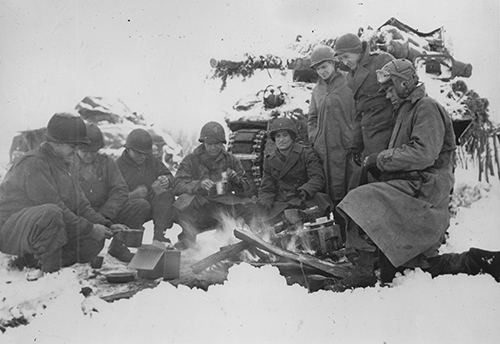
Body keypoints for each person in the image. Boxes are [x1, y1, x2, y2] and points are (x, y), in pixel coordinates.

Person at [337, 59, 500, 285]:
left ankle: (364, 273)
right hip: (413, 188)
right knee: (422, 266)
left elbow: (423, 154)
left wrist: (381, 159)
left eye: (389, 88)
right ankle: (481, 261)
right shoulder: (407, 110)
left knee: (360, 199)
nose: (386, 95)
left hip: (424, 191)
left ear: (403, 84)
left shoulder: (426, 108)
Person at [0, 113, 116, 275]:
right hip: (11, 232)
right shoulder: (34, 163)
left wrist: (106, 225)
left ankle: (31, 260)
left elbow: (81, 206)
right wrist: (90, 228)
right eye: (72, 146)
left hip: (39, 230)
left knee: (93, 240)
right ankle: (49, 274)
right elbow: (56, 207)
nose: (76, 151)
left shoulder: (63, 164)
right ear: (56, 143)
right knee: (52, 213)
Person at [72, 123, 150, 262]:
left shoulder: (107, 163)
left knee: (139, 205)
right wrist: (94, 222)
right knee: (88, 251)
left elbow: (120, 190)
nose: (89, 155)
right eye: (85, 151)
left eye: (93, 151)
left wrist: (104, 215)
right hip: (81, 217)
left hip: (106, 212)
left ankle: (118, 246)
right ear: (77, 148)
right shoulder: (69, 165)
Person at [174, 121, 252, 249]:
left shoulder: (231, 160)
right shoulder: (191, 160)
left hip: (223, 206)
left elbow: (247, 188)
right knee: (184, 203)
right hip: (200, 207)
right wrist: (198, 185)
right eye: (209, 144)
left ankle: (238, 242)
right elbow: (177, 184)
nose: (213, 148)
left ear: (222, 144)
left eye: (217, 144)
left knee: (247, 206)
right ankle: (187, 240)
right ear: (203, 143)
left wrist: (237, 181)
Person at [334, 33, 395, 184]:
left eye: (347, 56)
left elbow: (402, 90)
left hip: (389, 131)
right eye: (341, 59)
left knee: (387, 180)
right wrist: (356, 144)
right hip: (369, 133)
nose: (345, 62)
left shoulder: (381, 61)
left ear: (358, 51)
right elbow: (358, 112)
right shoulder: (350, 77)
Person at [307, 45, 358, 208]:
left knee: (351, 188)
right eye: (318, 69)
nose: (322, 71)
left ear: (333, 63)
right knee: (328, 192)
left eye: (324, 66)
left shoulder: (349, 82)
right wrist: (314, 137)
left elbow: (359, 111)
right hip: (324, 149)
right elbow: (312, 117)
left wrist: (353, 137)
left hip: (346, 146)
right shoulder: (317, 90)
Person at [258, 117, 331, 222]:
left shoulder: (306, 153)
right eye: (278, 136)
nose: (281, 140)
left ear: (292, 137)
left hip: (303, 199)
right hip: (282, 203)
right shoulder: (270, 160)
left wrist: (305, 191)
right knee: (264, 221)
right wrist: (264, 203)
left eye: (285, 135)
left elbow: (317, 178)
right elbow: (267, 188)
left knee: (319, 203)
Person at [116, 129, 175, 243]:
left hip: (148, 205)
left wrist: (166, 180)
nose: (143, 157)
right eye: (138, 153)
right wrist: (133, 195)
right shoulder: (117, 167)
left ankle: (159, 236)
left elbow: (170, 176)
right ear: (128, 149)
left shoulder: (151, 161)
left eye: (145, 153)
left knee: (165, 194)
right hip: (126, 210)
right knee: (141, 204)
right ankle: (127, 240)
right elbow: (111, 199)